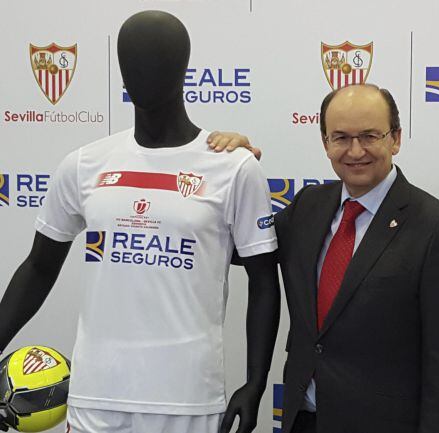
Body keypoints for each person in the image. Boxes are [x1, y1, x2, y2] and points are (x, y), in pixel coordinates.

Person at [0, 11, 280, 433]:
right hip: (96, 396)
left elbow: (263, 280)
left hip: (187, 399)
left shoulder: (232, 167)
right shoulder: (84, 165)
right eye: (131, 63)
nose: (143, 73)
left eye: (158, 61)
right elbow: (39, 267)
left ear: (184, 69)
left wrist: (255, 383)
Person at [273, 83, 439, 433]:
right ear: (325, 143)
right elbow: (245, 247)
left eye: (369, 136)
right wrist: (224, 163)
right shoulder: (306, 207)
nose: (355, 150)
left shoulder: (437, 227)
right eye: (341, 137)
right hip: (303, 419)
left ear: (395, 139)